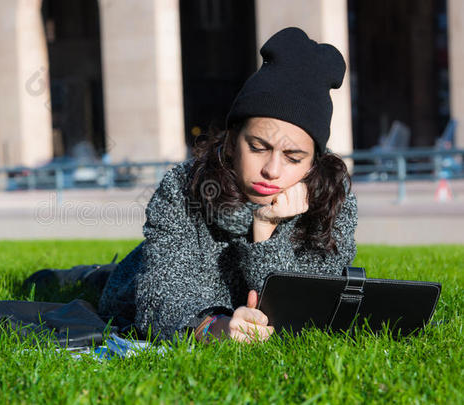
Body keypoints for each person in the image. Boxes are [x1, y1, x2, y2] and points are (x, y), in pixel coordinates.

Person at [97, 26, 357, 343]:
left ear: (313, 162)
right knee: (101, 278)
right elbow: (160, 298)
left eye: (293, 156)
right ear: (233, 141)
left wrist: (266, 232)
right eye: (258, 147)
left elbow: (305, 312)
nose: (272, 170)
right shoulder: (183, 186)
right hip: (132, 282)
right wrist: (215, 327)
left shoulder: (332, 201)